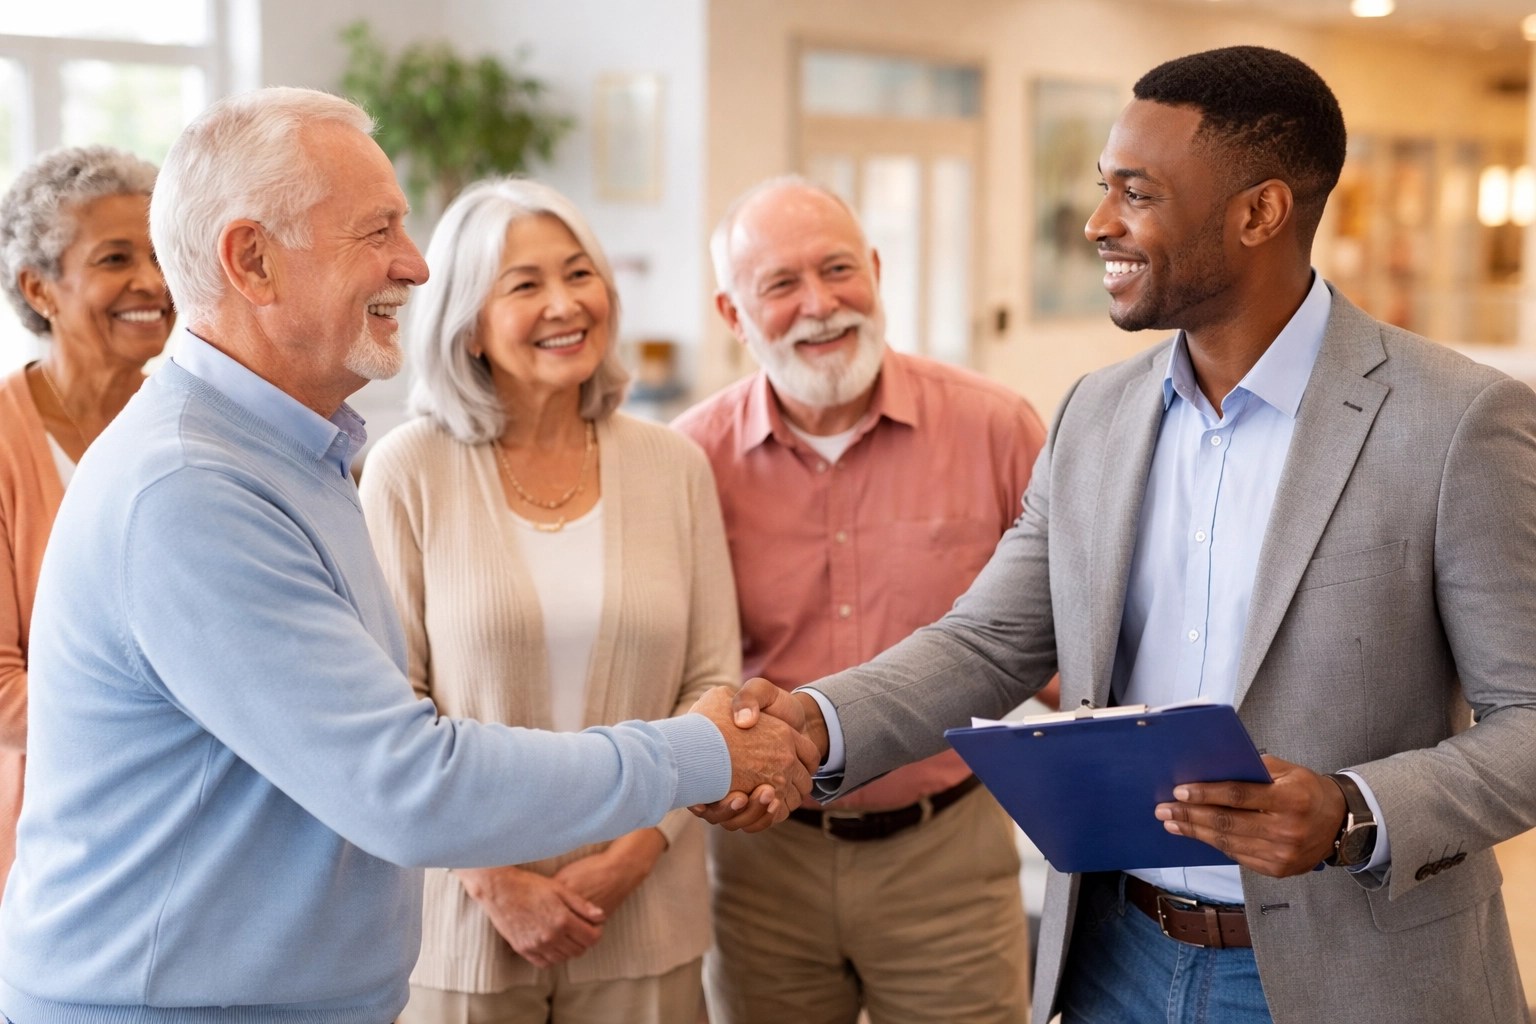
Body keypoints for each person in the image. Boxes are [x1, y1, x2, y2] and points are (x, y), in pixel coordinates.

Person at [711, 46, 1536, 1024]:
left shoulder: (1456, 421)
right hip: (1118, 961)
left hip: (1347, 976)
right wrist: (817, 722)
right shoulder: (1095, 415)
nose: (1098, 223)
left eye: (1135, 193)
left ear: (1259, 212)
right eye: (1104, 188)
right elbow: (990, 639)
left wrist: (1351, 810)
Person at [0, 87, 815, 1023]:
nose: (415, 264)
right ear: (252, 261)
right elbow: (407, 783)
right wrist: (700, 752)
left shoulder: (293, 449)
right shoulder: (192, 488)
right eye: (377, 230)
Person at [360, 177, 739, 1023]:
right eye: (524, 284)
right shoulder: (406, 470)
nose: (565, 304)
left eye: (580, 274)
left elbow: (713, 679)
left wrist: (635, 854)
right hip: (461, 930)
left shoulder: (673, 463)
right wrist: (495, 884)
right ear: (468, 319)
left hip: (649, 916)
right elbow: (389, 706)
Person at [673, 177, 1051, 1024]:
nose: (820, 304)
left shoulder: (997, 428)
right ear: (733, 316)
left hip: (947, 852)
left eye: (839, 268)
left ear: (876, 270)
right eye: (780, 285)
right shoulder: (688, 461)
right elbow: (676, 662)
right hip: (764, 862)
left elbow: (1073, 642)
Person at [0, 144, 172, 891]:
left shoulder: (187, 426)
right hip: (57, 839)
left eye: (162, 254)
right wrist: (178, 722)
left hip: (190, 822)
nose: (154, 283)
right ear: (39, 288)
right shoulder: (7, 442)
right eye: (115, 259)